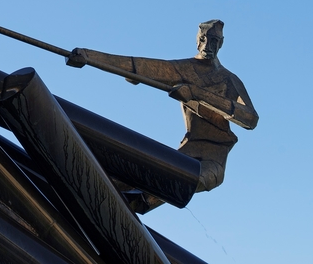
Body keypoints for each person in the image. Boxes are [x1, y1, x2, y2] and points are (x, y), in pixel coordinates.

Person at [68, 20, 257, 205]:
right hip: (187, 152)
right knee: (131, 179)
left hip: (212, 161)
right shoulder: (185, 69)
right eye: (204, 39)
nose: (208, 45)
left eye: (214, 41)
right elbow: (138, 66)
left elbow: (250, 119)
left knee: (181, 181)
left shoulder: (229, 80)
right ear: (198, 40)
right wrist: (89, 56)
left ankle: (134, 202)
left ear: (221, 44)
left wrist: (198, 94)